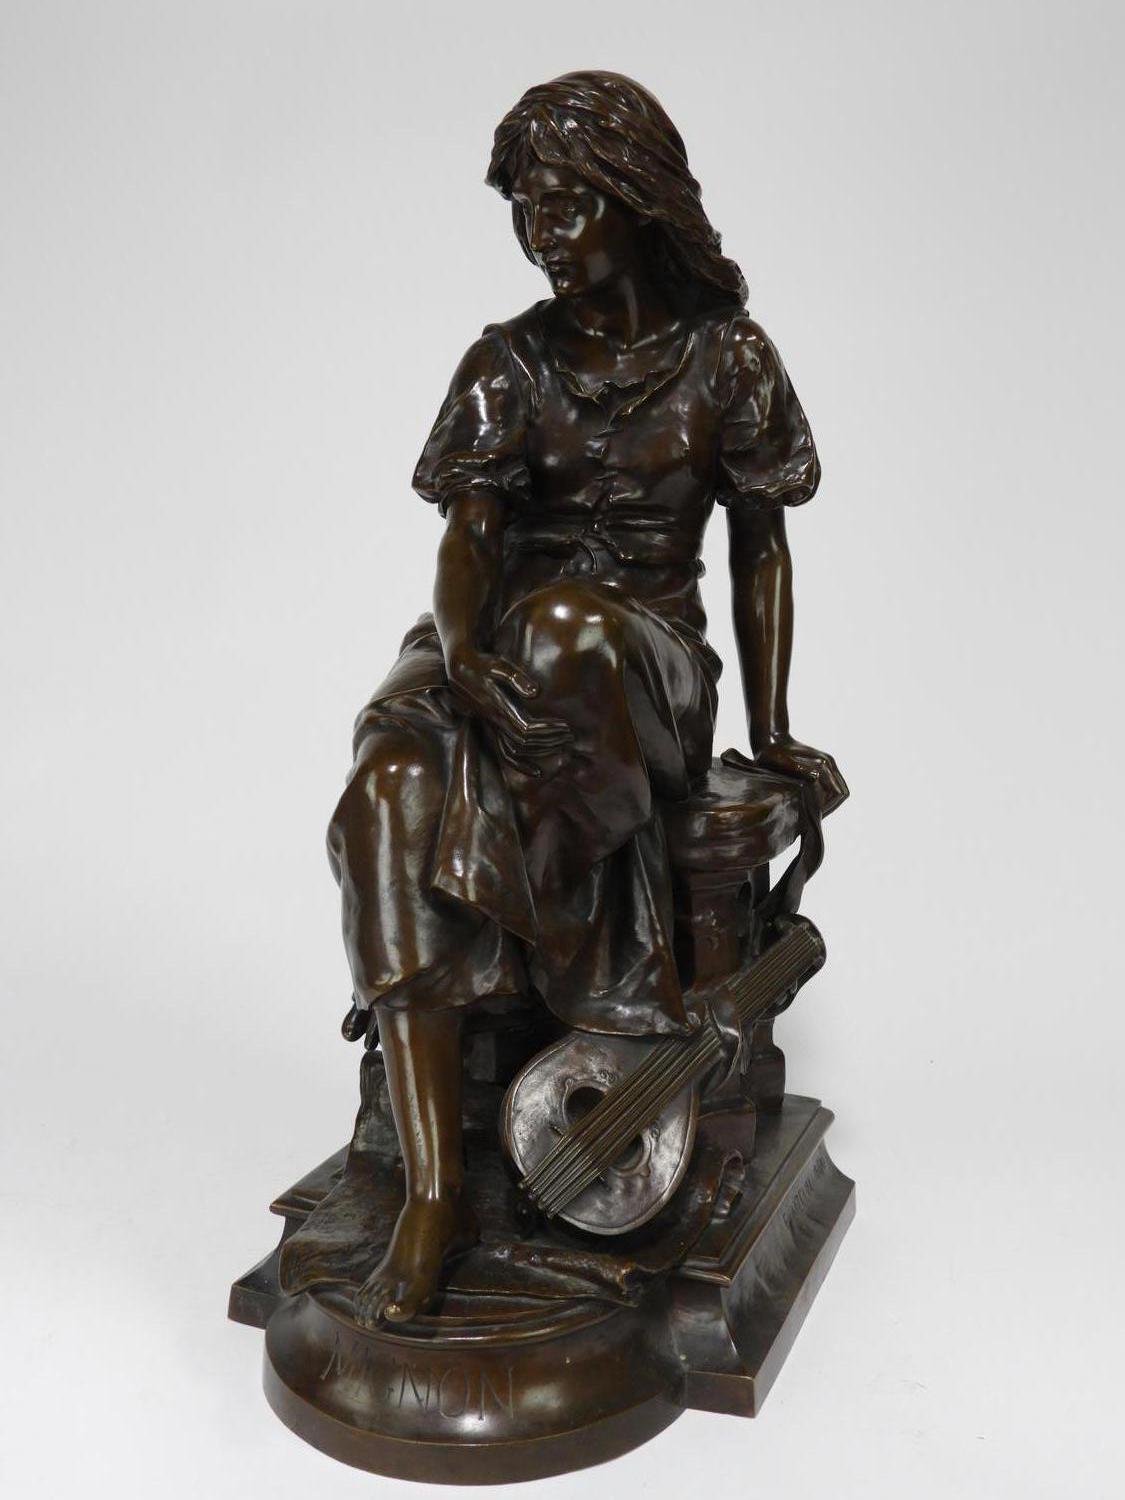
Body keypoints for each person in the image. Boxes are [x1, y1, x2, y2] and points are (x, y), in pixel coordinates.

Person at [327, 71, 843, 1325]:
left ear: (635, 197)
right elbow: (468, 539)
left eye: (564, 205)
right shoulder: (508, 363)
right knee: (391, 781)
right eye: (524, 210)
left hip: (646, 664)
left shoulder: (726, 357)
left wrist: (773, 732)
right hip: (486, 646)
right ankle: (437, 1190)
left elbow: (760, 548)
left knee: (569, 630)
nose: (541, 235)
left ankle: (544, 966)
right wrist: (459, 655)